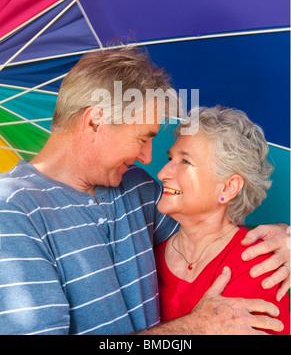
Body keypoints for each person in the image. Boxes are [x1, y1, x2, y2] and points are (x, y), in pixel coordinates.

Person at [0, 47, 289, 335]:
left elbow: (209, 226)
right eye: (142, 138)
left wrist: (281, 236)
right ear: (94, 122)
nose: (149, 158)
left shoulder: (136, 188)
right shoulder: (13, 211)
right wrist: (195, 328)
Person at [155, 105, 290, 335]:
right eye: (170, 158)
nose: (162, 173)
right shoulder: (146, 253)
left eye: (185, 161)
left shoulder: (256, 266)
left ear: (228, 187)